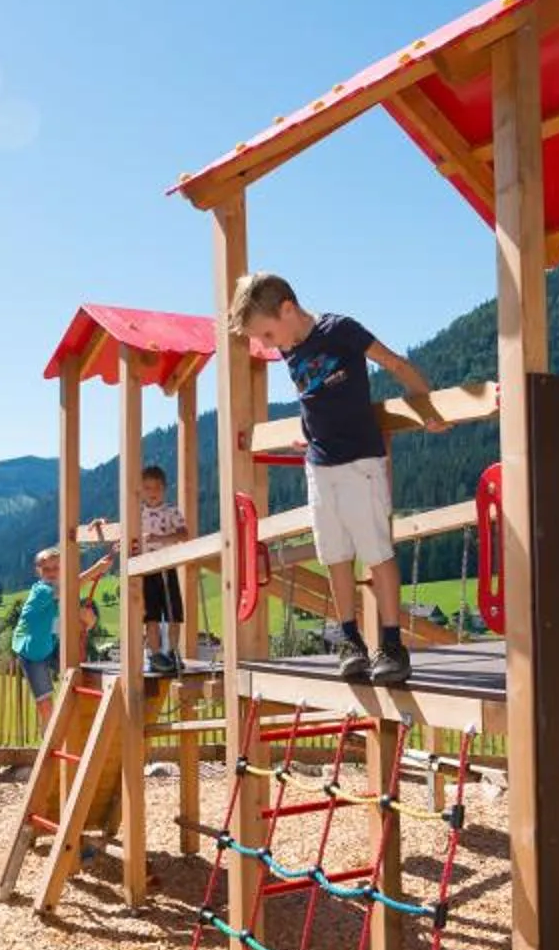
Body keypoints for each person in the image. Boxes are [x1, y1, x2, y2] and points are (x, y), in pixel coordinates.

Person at [226, 271, 447, 685]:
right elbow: (315, 400)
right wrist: (307, 431)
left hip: (360, 461)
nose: (269, 345)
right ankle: (351, 642)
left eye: (268, 334)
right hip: (319, 466)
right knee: (334, 555)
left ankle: (392, 645)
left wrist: (428, 405)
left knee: (376, 551)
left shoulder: (339, 330)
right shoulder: (289, 350)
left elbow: (394, 363)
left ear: (287, 309)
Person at [11, 546, 110, 723]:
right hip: (31, 650)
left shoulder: (63, 595)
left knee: (77, 676)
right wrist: (96, 569)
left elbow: (73, 623)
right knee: (45, 704)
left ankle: (72, 722)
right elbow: (70, 588)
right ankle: (51, 733)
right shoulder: (41, 591)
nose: (51, 573)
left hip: (51, 644)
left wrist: (87, 624)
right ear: (38, 571)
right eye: (46, 569)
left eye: (56, 568)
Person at [131, 464, 190, 678]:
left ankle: (173, 651)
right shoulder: (137, 513)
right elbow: (125, 534)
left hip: (167, 566)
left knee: (173, 613)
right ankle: (155, 655)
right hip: (147, 569)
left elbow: (184, 534)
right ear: (141, 491)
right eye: (147, 488)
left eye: (157, 487)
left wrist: (160, 538)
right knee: (151, 616)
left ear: (164, 489)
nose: (152, 492)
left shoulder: (171, 511)